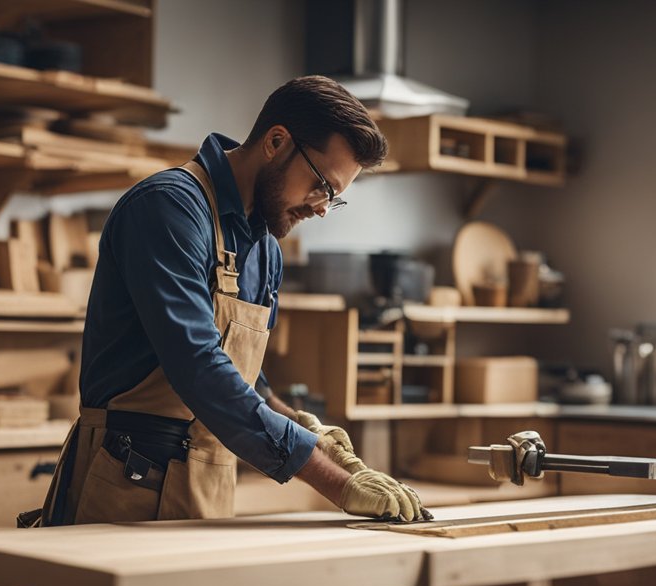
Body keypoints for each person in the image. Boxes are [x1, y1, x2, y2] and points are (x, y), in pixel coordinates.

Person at [34, 75, 429, 527]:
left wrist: (315, 438)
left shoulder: (265, 250)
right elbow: (199, 367)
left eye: (334, 198)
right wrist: (336, 484)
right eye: (321, 184)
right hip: (125, 482)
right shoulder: (169, 209)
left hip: (207, 490)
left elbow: (244, 381)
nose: (321, 207)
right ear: (276, 141)